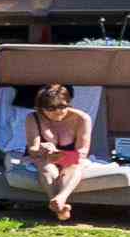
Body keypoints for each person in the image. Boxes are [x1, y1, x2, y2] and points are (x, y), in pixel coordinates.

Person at [29, 81, 95, 223]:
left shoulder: (81, 119)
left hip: (72, 157)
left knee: (74, 166)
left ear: (69, 103)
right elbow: (32, 150)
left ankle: (60, 199)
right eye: (51, 108)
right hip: (45, 157)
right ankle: (60, 206)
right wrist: (42, 148)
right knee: (46, 168)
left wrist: (61, 156)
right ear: (41, 108)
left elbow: (82, 152)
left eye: (62, 106)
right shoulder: (33, 118)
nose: (58, 111)